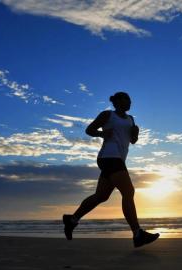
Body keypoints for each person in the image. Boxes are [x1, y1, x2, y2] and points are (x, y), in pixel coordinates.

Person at [63, 92, 159, 248]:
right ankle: (137, 233)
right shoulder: (108, 115)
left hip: (118, 159)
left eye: (130, 99)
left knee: (101, 196)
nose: (129, 102)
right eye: (125, 99)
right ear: (116, 102)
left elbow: (132, 141)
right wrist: (102, 133)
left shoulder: (131, 119)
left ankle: (72, 220)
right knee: (128, 192)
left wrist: (136, 134)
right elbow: (89, 130)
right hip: (108, 156)